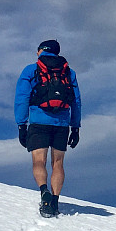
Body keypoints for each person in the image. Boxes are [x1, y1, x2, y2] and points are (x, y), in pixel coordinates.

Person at [14, 39, 82, 217]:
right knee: (58, 163)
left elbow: (22, 97)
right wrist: (75, 127)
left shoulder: (31, 69)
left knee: (39, 161)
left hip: (39, 121)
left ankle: (44, 193)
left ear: (40, 51)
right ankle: (56, 200)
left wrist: (22, 125)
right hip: (61, 123)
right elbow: (76, 101)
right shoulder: (69, 72)